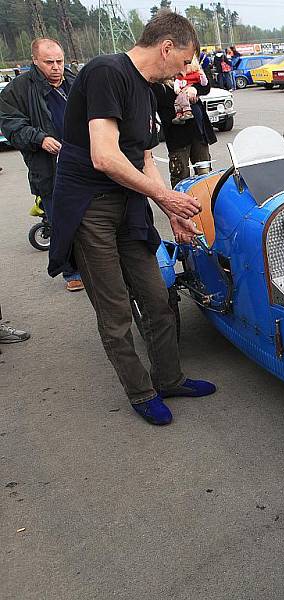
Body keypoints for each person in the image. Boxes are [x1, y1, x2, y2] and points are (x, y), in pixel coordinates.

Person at [47, 11, 216, 426]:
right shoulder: (108, 72)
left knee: (157, 299)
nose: (184, 71)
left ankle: (170, 377)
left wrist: (169, 211)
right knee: (116, 309)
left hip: (129, 204)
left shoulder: (146, 89)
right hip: (91, 208)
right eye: (184, 61)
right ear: (166, 47)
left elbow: (142, 157)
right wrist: (166, 198)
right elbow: (104, 156)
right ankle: (141, 392)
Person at [0, 37, 84, 292]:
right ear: (35, 61)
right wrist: (39, 138)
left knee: (93, 219)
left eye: (59, 61)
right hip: (50, 170)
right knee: (62, 222)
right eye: (49, 62)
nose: (56, 67)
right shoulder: (17, 89)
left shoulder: (74, 80)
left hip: (83, 163)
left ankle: (99, 267)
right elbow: (11, 125)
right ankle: (71, 270)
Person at [153, 59, 217, 188]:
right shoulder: (158, 80)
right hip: (177, 135)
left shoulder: (188, 67)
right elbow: (159, 102)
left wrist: (194, 88)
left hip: (198, 131)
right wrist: (182, 94)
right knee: (180, 176)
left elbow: (205, 85)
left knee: (205, 174)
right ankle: (181, 205)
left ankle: (206, 203)